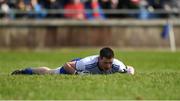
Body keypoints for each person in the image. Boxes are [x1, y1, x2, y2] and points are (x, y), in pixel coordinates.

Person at [11, 47, 135, 75]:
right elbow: (67, 64)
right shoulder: (87, 63)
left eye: (110, 62)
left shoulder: (117, 65)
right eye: (105, 62)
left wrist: (131, 72)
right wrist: (77, 74)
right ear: (99, 58)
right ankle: (24, 71)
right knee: (50, 72)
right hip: (75, 65)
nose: (108, 66)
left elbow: (130, 68)